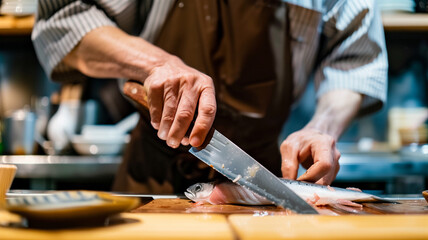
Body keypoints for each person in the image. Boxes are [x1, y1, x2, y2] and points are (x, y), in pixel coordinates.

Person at [32, 0, 387, 193]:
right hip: (152, 176)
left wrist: (322, 127)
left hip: (262, 178)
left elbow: (355, 59)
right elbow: (66, 18)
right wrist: (158, 63)